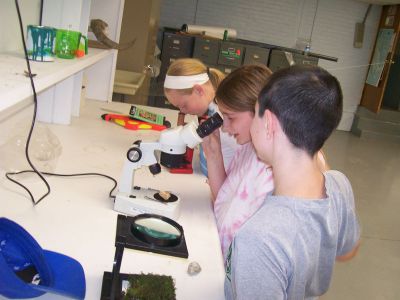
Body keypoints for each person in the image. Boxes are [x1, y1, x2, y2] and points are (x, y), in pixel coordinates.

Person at [225, 65, 361, 299]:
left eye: (255, 112)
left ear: (268, 122)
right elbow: (347, 251)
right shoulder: (339, 184)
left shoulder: (259, 238)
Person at [201, 64, 274, 259]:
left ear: (261, 112)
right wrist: (213, 154)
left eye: (230, 117)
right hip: (220, 257)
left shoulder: (274, 169)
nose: (224, 127)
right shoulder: (247, 149)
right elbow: (223, 199)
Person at [163, 58, 238, 176]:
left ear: (198, 90)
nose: (183, 111)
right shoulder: (211, 109)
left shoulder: (224, 117)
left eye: (184, 105)